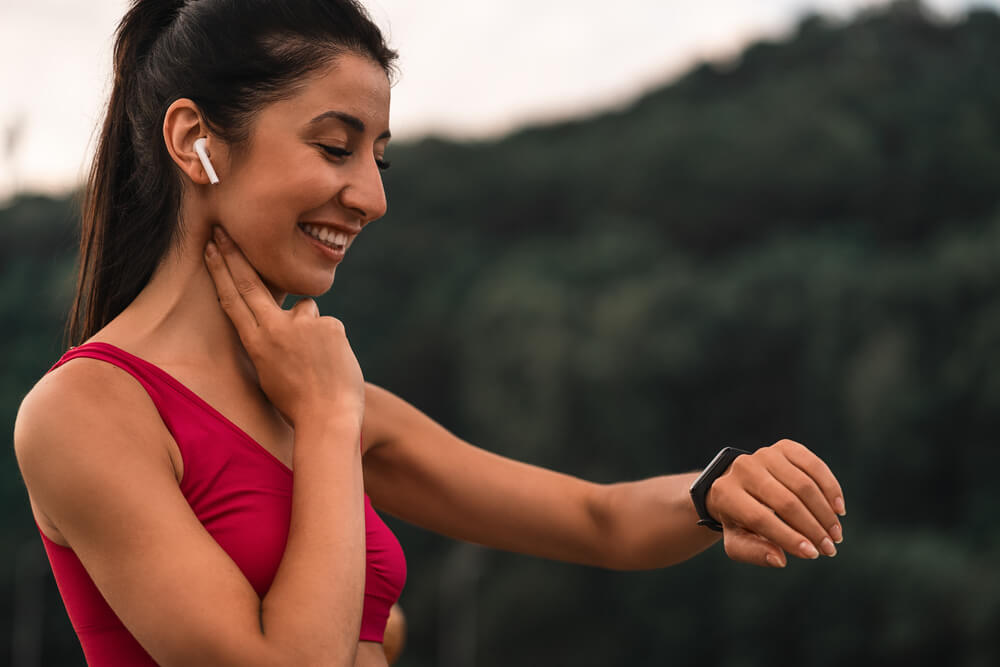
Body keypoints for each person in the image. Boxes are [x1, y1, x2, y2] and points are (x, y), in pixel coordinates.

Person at [12, 1, 847, 665]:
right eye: (335, 146)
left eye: (380, 157)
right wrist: (331, 419)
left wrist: (712, 491)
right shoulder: (87, 410)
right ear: (196, 141)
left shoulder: (318, 393)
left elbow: (598, 521)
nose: (371, 197)